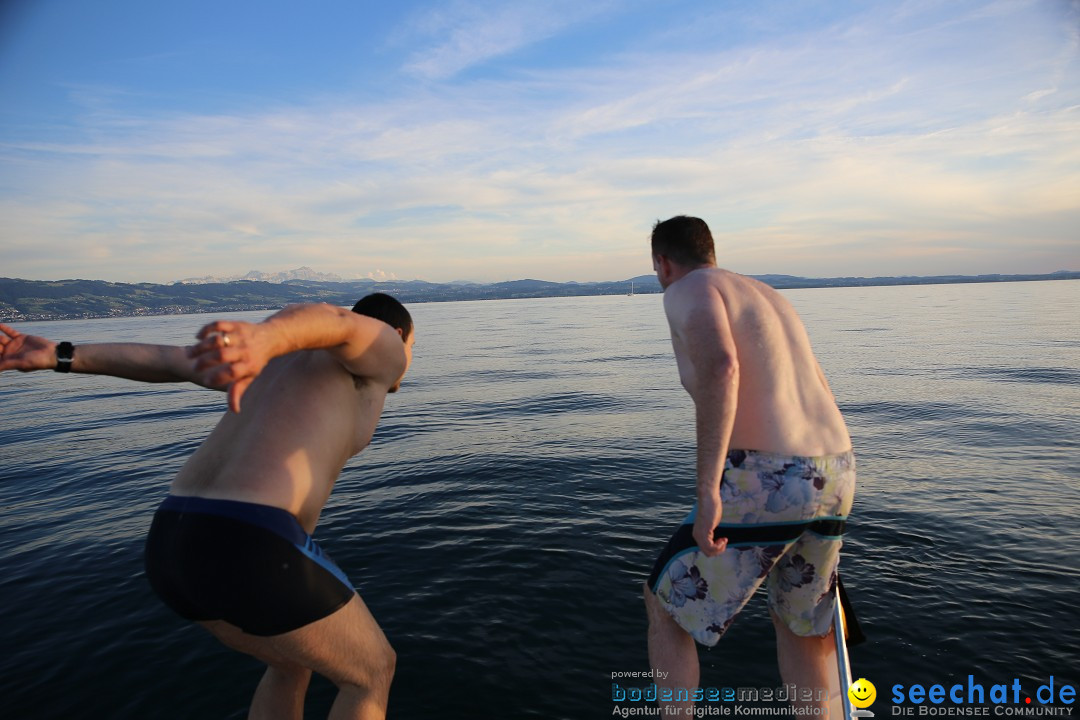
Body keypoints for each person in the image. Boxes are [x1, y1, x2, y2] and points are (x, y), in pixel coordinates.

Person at [0, 295, 415, 720]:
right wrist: (266, 335)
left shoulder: (276, 361)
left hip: (172, 537)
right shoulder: (384, 348)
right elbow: (336, 319)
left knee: (291, 662)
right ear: (400, 335)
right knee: (373, 672)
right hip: (250, 539)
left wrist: (59, 355)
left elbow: (170, 361)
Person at [643, 216, 855, 717]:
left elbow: (721, 367)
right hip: (837, 469)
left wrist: (710, 491)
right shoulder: (768, 295)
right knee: (800, 622)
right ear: (711, 250)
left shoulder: (687, 287)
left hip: (769, 476)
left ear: (662, 262)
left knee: (664, 604)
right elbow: (821, 387)